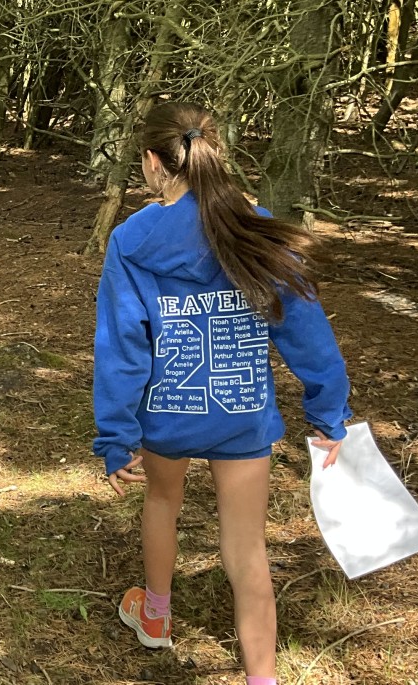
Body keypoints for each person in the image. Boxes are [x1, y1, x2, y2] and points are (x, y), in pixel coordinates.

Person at [91, 102, 353, 685]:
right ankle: (263, 677)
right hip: (241, 416)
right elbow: (309, 336)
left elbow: (122, 348)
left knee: (162, 504)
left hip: (167, 417)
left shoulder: (132, 242)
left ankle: (155, 617)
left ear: (152, 162)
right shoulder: (257, 229)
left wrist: (117, 436)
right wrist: (328, 414)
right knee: (247, 551)